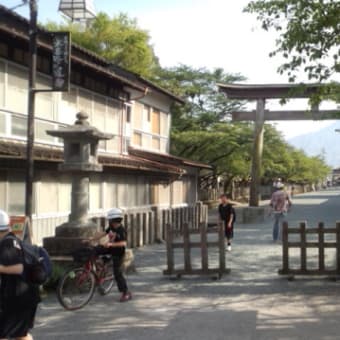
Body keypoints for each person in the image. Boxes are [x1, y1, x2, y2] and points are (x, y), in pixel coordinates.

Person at [0, 209, 41, 340]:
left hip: (19, 297)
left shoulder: (7, 244)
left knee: (6, 333)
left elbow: (19, 268)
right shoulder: (12, 240)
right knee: (20, 334)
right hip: (24, 296)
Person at [89, 208, 132, 302]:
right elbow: (103, 234)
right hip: (110, 249)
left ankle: (126, 293)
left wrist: (111, 244)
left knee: (118, 274)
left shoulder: (121, 230)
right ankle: (99, 266)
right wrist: (91, 239)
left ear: (115, 220)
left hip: (118, 253)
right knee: (94, 250)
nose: (109, 221)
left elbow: (124, 243)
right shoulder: (111, 227)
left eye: (110, 219)